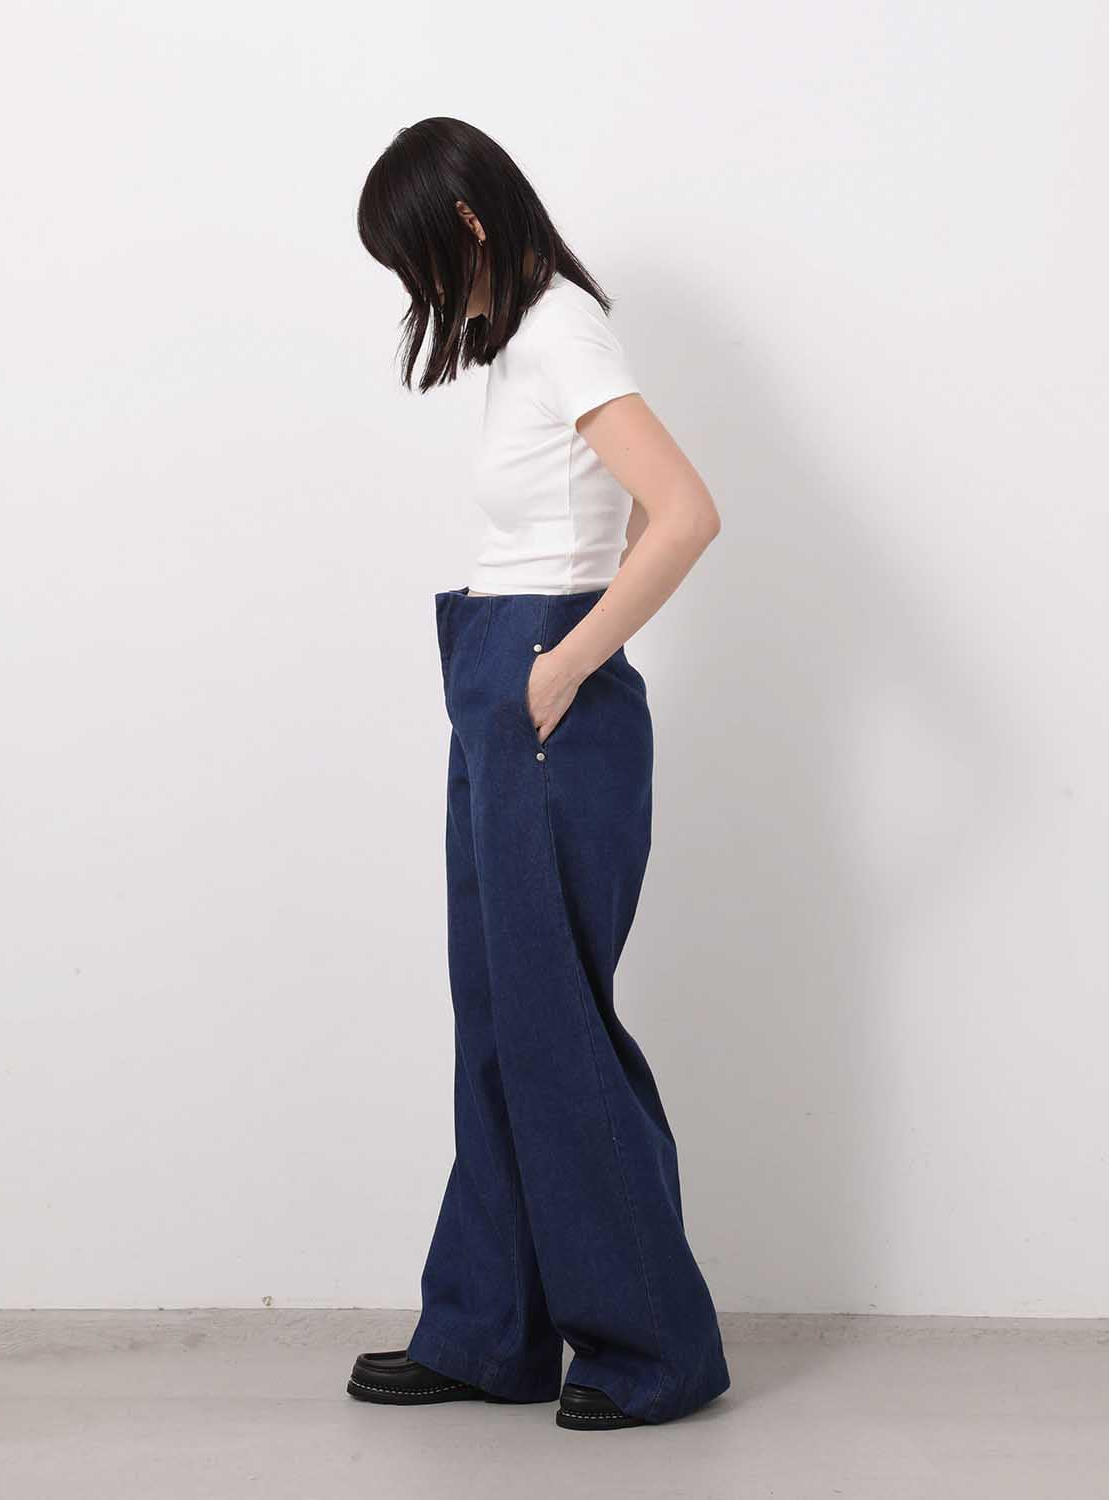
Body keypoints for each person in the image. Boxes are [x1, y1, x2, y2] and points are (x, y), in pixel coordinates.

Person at [349, 117, 729, 1431]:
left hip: (543, 700)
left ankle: (654, 1350)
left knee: (554, 1029)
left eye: (417, 259)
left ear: (465, 224)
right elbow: (610, 519)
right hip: (500, 687)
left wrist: (561, 666)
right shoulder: (520, 344)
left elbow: (684, 512)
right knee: (500, 1024)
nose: (417, 291)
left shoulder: (563, 328)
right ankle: (488, 1333)